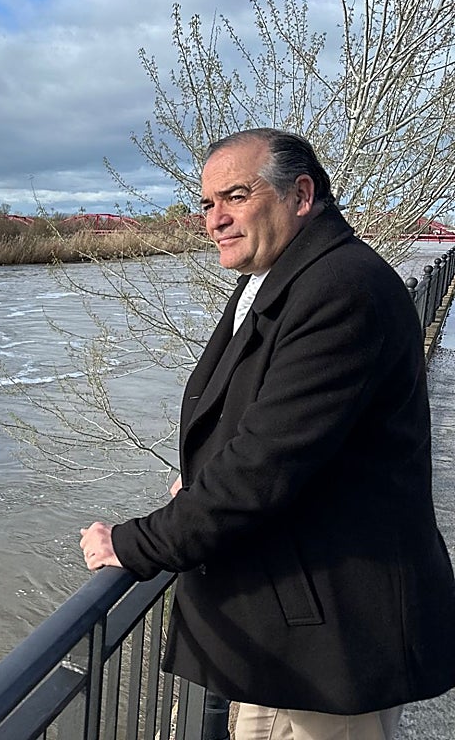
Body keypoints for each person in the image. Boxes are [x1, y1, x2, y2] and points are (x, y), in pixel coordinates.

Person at [78, 128, 455, 739]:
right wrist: (199, 483)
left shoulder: (341, 290)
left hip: (320, 646)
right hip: (301, 625)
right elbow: (264, 420)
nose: (215, 220)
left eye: (234, 196)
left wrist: (134, 545)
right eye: (206, 204)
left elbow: (264, 465)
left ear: (300, 195)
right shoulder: (289, 277)